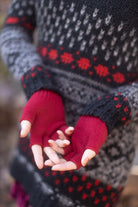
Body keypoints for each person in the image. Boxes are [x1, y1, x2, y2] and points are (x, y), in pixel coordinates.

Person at [0, 0, 138, 206]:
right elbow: (14, 28)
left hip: (97, 163)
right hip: (40, 133)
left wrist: (113, 109)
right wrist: (37, 84)